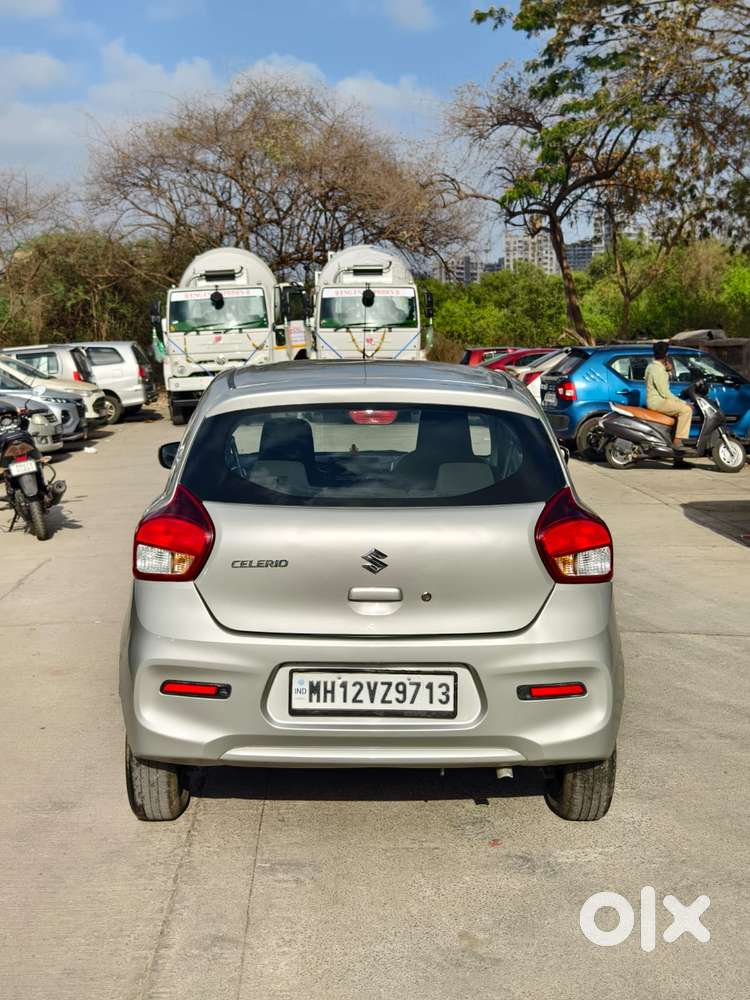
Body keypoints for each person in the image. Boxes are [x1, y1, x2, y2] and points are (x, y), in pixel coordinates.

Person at [645, 342, 693, 450]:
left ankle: (673, 444)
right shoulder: (658, 369)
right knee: (686, 410)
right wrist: (683, 402)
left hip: (657, 400)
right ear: (666, 355)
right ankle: (677, 441)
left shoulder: (651, 366)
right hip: (658, 402)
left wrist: (668, 370)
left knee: (679, 411)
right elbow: (665, 393)